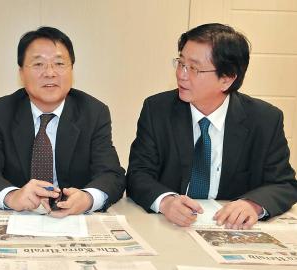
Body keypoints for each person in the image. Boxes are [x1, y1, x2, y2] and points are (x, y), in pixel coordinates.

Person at [127, 23, 297, 229]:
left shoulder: (264, 119)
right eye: (181, 63)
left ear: (226, 79)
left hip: (228, 229)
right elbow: (138, 174)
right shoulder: (157, 110)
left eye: (194, 68)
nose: (182, 74)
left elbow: (284, 184)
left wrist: (252, 205)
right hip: (171, 226)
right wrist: (166, 201)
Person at [0, 26, 125, 217]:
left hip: (74, 221)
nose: (50, 73)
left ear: (72, 70)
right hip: (18, 218)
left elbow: (111, 174)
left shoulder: (94, 113)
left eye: (59, 64)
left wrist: (87, 199)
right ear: (21, 73)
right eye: (38, 64)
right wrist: (12, 197)